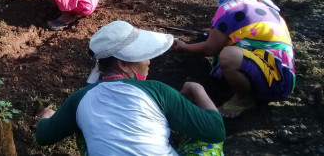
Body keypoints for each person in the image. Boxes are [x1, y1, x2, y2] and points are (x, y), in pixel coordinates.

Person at [36, 21, 225, 155]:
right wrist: (197, 89)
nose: (149, 61)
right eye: (144, 55)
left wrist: (47, 115)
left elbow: (43, 136)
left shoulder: (79, 100)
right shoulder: (158, 91)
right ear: (123, 64)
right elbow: (216, 131)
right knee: (205, 139)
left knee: (83, 128)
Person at [173, 0, 295, 118]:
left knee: (228, 54)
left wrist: (185, 47)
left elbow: (211, 48)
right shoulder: (258, 0)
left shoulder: (229, 10)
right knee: (230, 48)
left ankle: (244, 99)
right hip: (283, 72)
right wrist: (215, 33)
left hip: (274, 81)